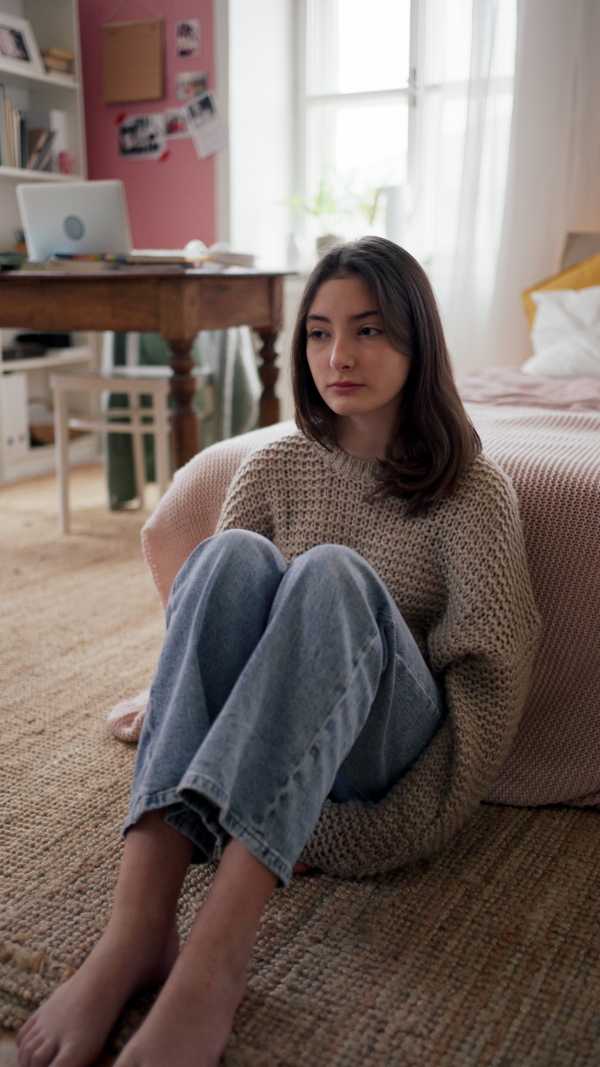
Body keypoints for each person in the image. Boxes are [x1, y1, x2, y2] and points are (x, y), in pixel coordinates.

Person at [16, 237, 540, 1067]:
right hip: (277, 742)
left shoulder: (473, 490)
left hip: (380, 756)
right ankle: (138, 926)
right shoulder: (277, 463)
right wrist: (171, 705)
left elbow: (488, 691)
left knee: (331, 574)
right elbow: (219, 623)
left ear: (418, 338)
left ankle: (217, 964)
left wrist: (370, 834)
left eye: (369, 331)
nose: (339, 355)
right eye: (319, 332)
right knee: (226, 557)